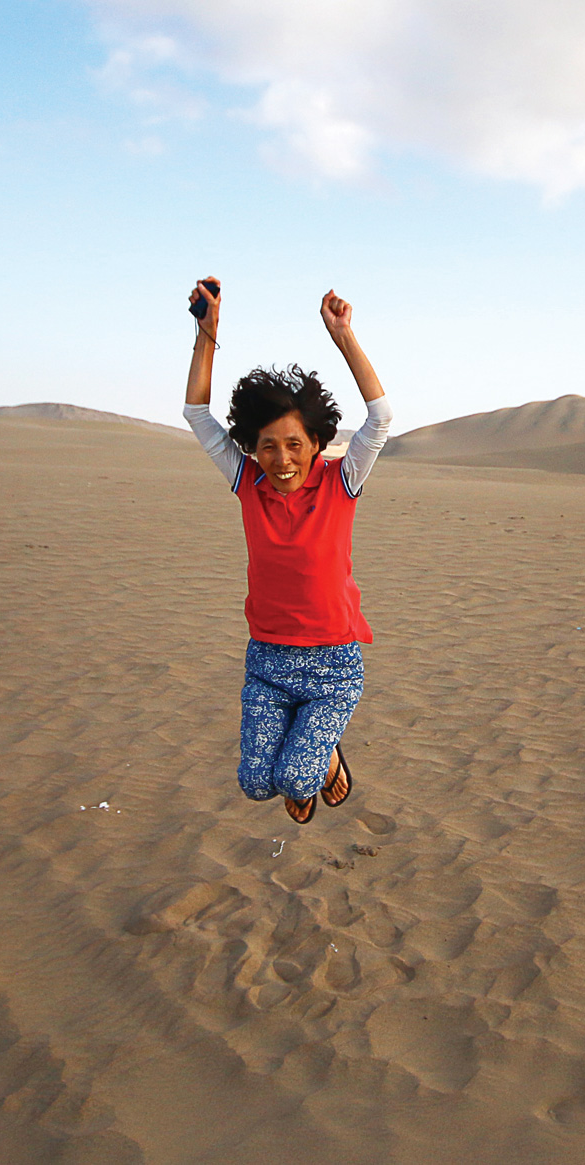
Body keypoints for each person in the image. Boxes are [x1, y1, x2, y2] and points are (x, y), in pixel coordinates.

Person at [183, 280, 392, 824]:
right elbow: (197, 415)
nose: (281, 460)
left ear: (317, 443)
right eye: (268, 446)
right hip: (268, 663)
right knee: (256, 785)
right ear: (252, 446)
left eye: (294, 444)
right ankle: (311, 757)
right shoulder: (247, 482)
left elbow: (380, 419)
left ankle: (319, 761)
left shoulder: (340, 481)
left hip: (333, 665)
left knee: (294, 778)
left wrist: (344, 337)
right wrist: (207, 333)